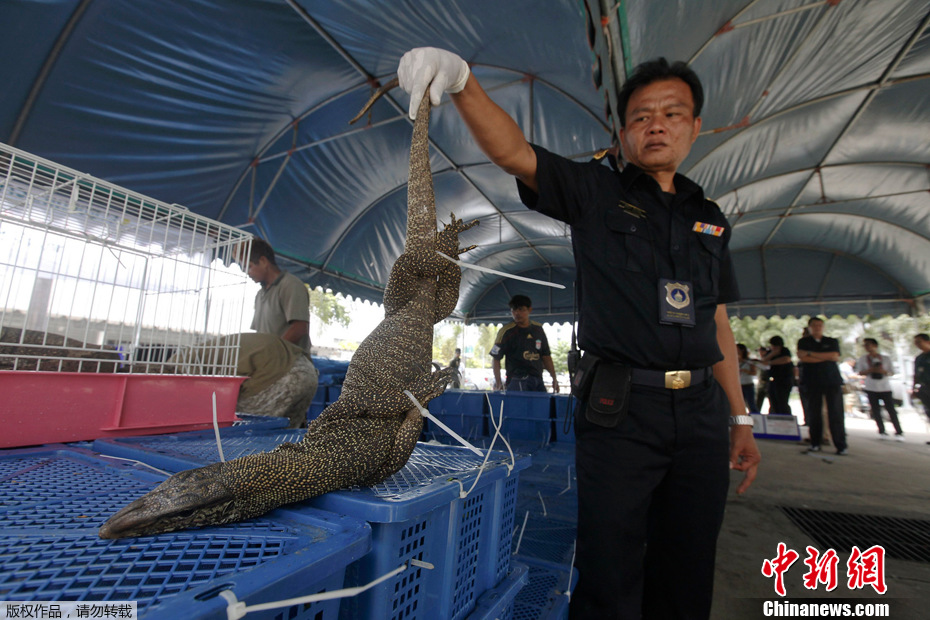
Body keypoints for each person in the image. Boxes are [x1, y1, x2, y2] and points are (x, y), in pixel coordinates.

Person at [396, 47, 759, 619]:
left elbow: (716, 320)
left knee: (688, 565)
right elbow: (515, 153)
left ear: (695, 127)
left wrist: (739, 417)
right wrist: (464, 82)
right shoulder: (596, 191)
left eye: (671, 113)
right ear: (622, 130)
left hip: (701, 416)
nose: (656, 124)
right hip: (622, 412)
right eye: (641, 115)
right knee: (609, 566)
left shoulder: (710, 218)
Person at [168, 332, 319, 428]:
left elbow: (203, 403)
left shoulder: (181, 364)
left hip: (283, 376)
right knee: (288, 435)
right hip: (307, 370)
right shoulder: (200, 352)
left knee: (247, 429)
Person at [241, 238, 312, 355]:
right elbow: (260, 334)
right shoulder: (260, 295)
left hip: (292, 364)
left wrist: (270, 352)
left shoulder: (290, 285)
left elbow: (299, 328)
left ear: (263, 261)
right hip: (270, 363)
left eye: (249, 266)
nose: (247, 272)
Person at [797, 317, 847, 455]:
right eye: (814, 325)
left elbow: (834, 356)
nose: (817, 327)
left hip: (832, 381)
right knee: (814, 413)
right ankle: (815, 443)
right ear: (810, 327)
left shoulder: (831, 341)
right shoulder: (804, 342)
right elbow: (803, 357)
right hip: (812, 381)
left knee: (835, 413)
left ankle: (841, 445)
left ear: (823, 327)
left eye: (820, 325)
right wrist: (824, 357)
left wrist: (811, 354)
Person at [490, 295, 559, 392]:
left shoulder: (538, 329)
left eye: (521, 309)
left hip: (537, 379)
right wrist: (498, 382)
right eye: (514, 310)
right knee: (519, 407)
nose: (517, 313)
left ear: (529, 310)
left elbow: (546, 357)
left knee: (542, 406)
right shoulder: (506, 332)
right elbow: (496, 359)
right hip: (517, 380)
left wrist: (554, 378)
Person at [855, 338, 903, 440]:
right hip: (871, 387)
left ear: (875, 346)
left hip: (885, 387)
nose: (867, 347)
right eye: (865, 345)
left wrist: (883, 371)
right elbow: (860, 372)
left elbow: (892, 372)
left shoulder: (885, 358)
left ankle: (899, 432)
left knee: (891, 410)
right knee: (876, 410)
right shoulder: (863, 359)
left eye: (869, 344)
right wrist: (870, 370)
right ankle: (882, 431)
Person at [760, 336, 794, 415]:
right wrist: (772, 354)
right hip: (772, 379)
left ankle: (786, 418)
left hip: (784, 379)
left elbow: (786, 359)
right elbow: (763, 361)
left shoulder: (784, 351)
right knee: (773, 402)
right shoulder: (770, 352)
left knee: (782, 401)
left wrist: (771, 362)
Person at [911, 333, 930, 442]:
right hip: (925, 387)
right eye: (916, 342)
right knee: (928, 411)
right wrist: (913, 388)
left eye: (919, 341)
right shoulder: (919, 358)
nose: (917, 344)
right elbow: (916, 375)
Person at [737, 343, 759, 413]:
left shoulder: (749, 361)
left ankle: (756, 419)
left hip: (748, 384)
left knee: (751, 404)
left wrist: (745, 371)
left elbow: (754, 372)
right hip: (739, 385)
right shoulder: (735, 361)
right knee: (739, 404)